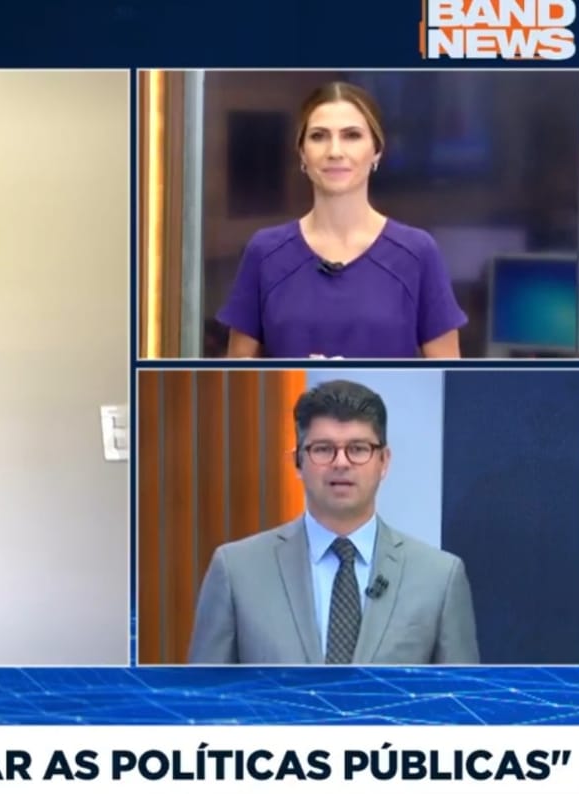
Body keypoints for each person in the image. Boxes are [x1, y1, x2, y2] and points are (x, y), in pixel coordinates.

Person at [186, 380, 479, 665]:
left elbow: (463, 695)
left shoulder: (439, 577)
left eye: (358, 448)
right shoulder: (236, 570)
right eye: (323, 449)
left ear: (384, 462)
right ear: (298, 462)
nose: (341, 462)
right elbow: (205, 693)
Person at [217, 82, 468, 360]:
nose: (335, 151)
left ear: (376, 151)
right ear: (302, 153)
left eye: (351, 136)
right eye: (318, 136)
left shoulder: (417, 253)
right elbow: (239, 374)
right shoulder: (264, 252)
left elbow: (449, 373)